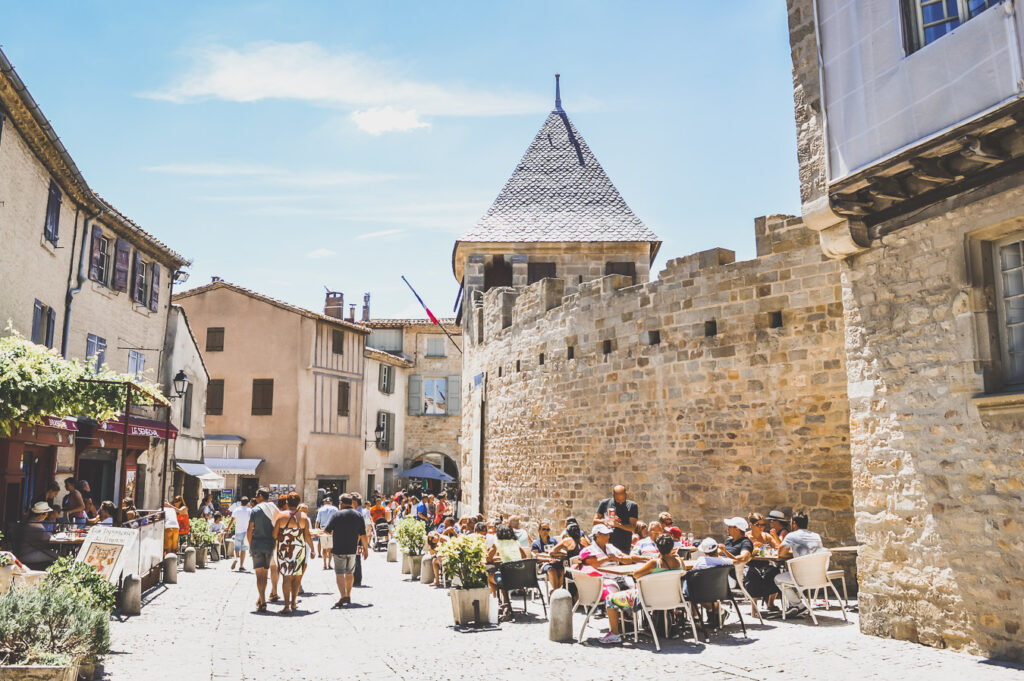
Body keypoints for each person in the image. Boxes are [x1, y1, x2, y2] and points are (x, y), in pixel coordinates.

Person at [601, 533, 683, 644]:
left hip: (649, 599)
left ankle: (615, 634)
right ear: (672, 547)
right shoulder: (679, 562)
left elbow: (636, 575)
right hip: (673, 599)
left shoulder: (654, 563)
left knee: (609, 599)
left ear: (658, 548)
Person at [774, 511, 824, 618]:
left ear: (795, 524)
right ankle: (794, 606)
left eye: (791, 523)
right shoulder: (816, 536)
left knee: (778, 579)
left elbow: (781, 554)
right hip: (819, 577)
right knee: (790, 579)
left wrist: (793, 552)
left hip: (803, 578)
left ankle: (798, 605)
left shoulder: (791, 535)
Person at [324, 493, 370, 607]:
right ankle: (348, 595)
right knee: (350, 573)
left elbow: (327, 530)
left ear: (341, 503)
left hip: (339, 548)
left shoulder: (337, 515)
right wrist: (366, 549)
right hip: (352, 549)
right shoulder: (358, 515)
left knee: (339, 573)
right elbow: (363, 534)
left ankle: (343, 595)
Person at [272, 493, 314, 614]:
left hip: (284, 549)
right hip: (299, 549)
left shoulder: (280, 516)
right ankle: (294, 603)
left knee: (286, 576)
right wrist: (313, 549)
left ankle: (286, 606)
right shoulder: (304, 517)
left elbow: (274, 535)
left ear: (287, 502)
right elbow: (307, 536)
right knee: (297, 576)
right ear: (299, 503)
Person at [247, 488, 281, 611]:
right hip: (270, 545)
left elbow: (250, 529)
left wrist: (250, 545)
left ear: (261, 496)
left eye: (256, 496)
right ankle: (262, 599)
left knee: (259, 576)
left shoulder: (255, 510)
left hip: (257, 544)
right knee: (265, 574)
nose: (255, 498)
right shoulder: (274, 509)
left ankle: (262, 601)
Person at [485, 524, 529, 604]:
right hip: (521, 579)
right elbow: (524, 556)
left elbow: (488, 558)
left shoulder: (497, 542)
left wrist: (495, 560)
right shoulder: (516, 542)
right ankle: (505, 602)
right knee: (503, 576)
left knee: (491, 577)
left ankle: (497, 601)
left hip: (507, 579)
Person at [594, 485, 639, 554]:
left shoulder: (632, 506)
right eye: (617, 500)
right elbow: (594, 522)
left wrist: (618, 525)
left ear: (626, 495)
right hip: (606, 544)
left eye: (622, 500)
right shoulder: (605, 503)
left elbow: (633, 528)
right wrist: (607, 520)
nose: (620, 502)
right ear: (613, 495)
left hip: (624, 544)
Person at [543, 522, 585, 591]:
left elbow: (551, 553)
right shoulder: (584, 540)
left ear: (568, 533)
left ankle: (557, 591)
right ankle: (557, 590)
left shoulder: (567, 540)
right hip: (584, 571)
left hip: (572, 572)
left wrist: (565, 555)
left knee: (560, 569)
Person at [18, 502, 59, 569]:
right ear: (43, 514)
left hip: (25, 552)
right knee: (58, 557)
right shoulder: (36, 526)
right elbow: (47, 538)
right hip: (29, 554)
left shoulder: (31, 522)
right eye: (47, 513)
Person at [315, 496, 339, 569]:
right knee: (331, 548)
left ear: (325, 502)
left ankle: (324, 564)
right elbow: (338, 520)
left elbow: (317, 521)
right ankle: (329, 564)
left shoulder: (321, 509)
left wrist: (317, 531)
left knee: (324, 548)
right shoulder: (335, 509)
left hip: (323, 529)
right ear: (331, 502)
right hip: (332, 530)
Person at [230, 496, 251, 570]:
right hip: (246, 532)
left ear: (240, 502)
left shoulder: (237, 509)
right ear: (247, 503)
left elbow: (232, 520)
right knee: (243, 549)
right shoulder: (249, 510)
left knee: (236, 548)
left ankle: (235, 558)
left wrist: (228, 528)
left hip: (238, 531)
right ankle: (241, 566)